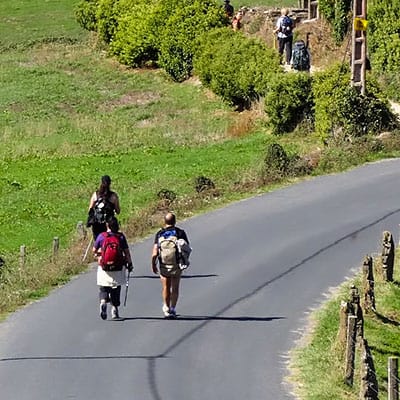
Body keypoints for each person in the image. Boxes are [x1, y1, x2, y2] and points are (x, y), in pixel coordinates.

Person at [151, 212, 190, 318]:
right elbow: (186, 248)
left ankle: (166, 307)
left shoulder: (159, 234)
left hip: (164, 264)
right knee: (175, 287)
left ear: (164, 221)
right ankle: (173, 308)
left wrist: (153, 264)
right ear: (175, 221)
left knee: (166, 287)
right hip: (176, 263)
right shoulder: (180, 233)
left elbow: (155, 252)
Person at [93, 216, 133, 320]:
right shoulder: (120, 237)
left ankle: (103, 302)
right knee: (116, 286)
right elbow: (127, 252)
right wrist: (129, 263)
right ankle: (114, 309)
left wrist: (100, 255)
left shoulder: (102, 236)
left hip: (104, 266)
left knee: (103, 286)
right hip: (118, 266)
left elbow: (94, 250)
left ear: (107, 225)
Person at [87, 175, 120, 240]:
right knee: (110, 241)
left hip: (97, 224)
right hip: (109, 224)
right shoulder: (113, 196)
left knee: (98, 243)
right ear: (110, 183)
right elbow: (118, 211)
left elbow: (90, 210)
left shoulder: (95, 194)